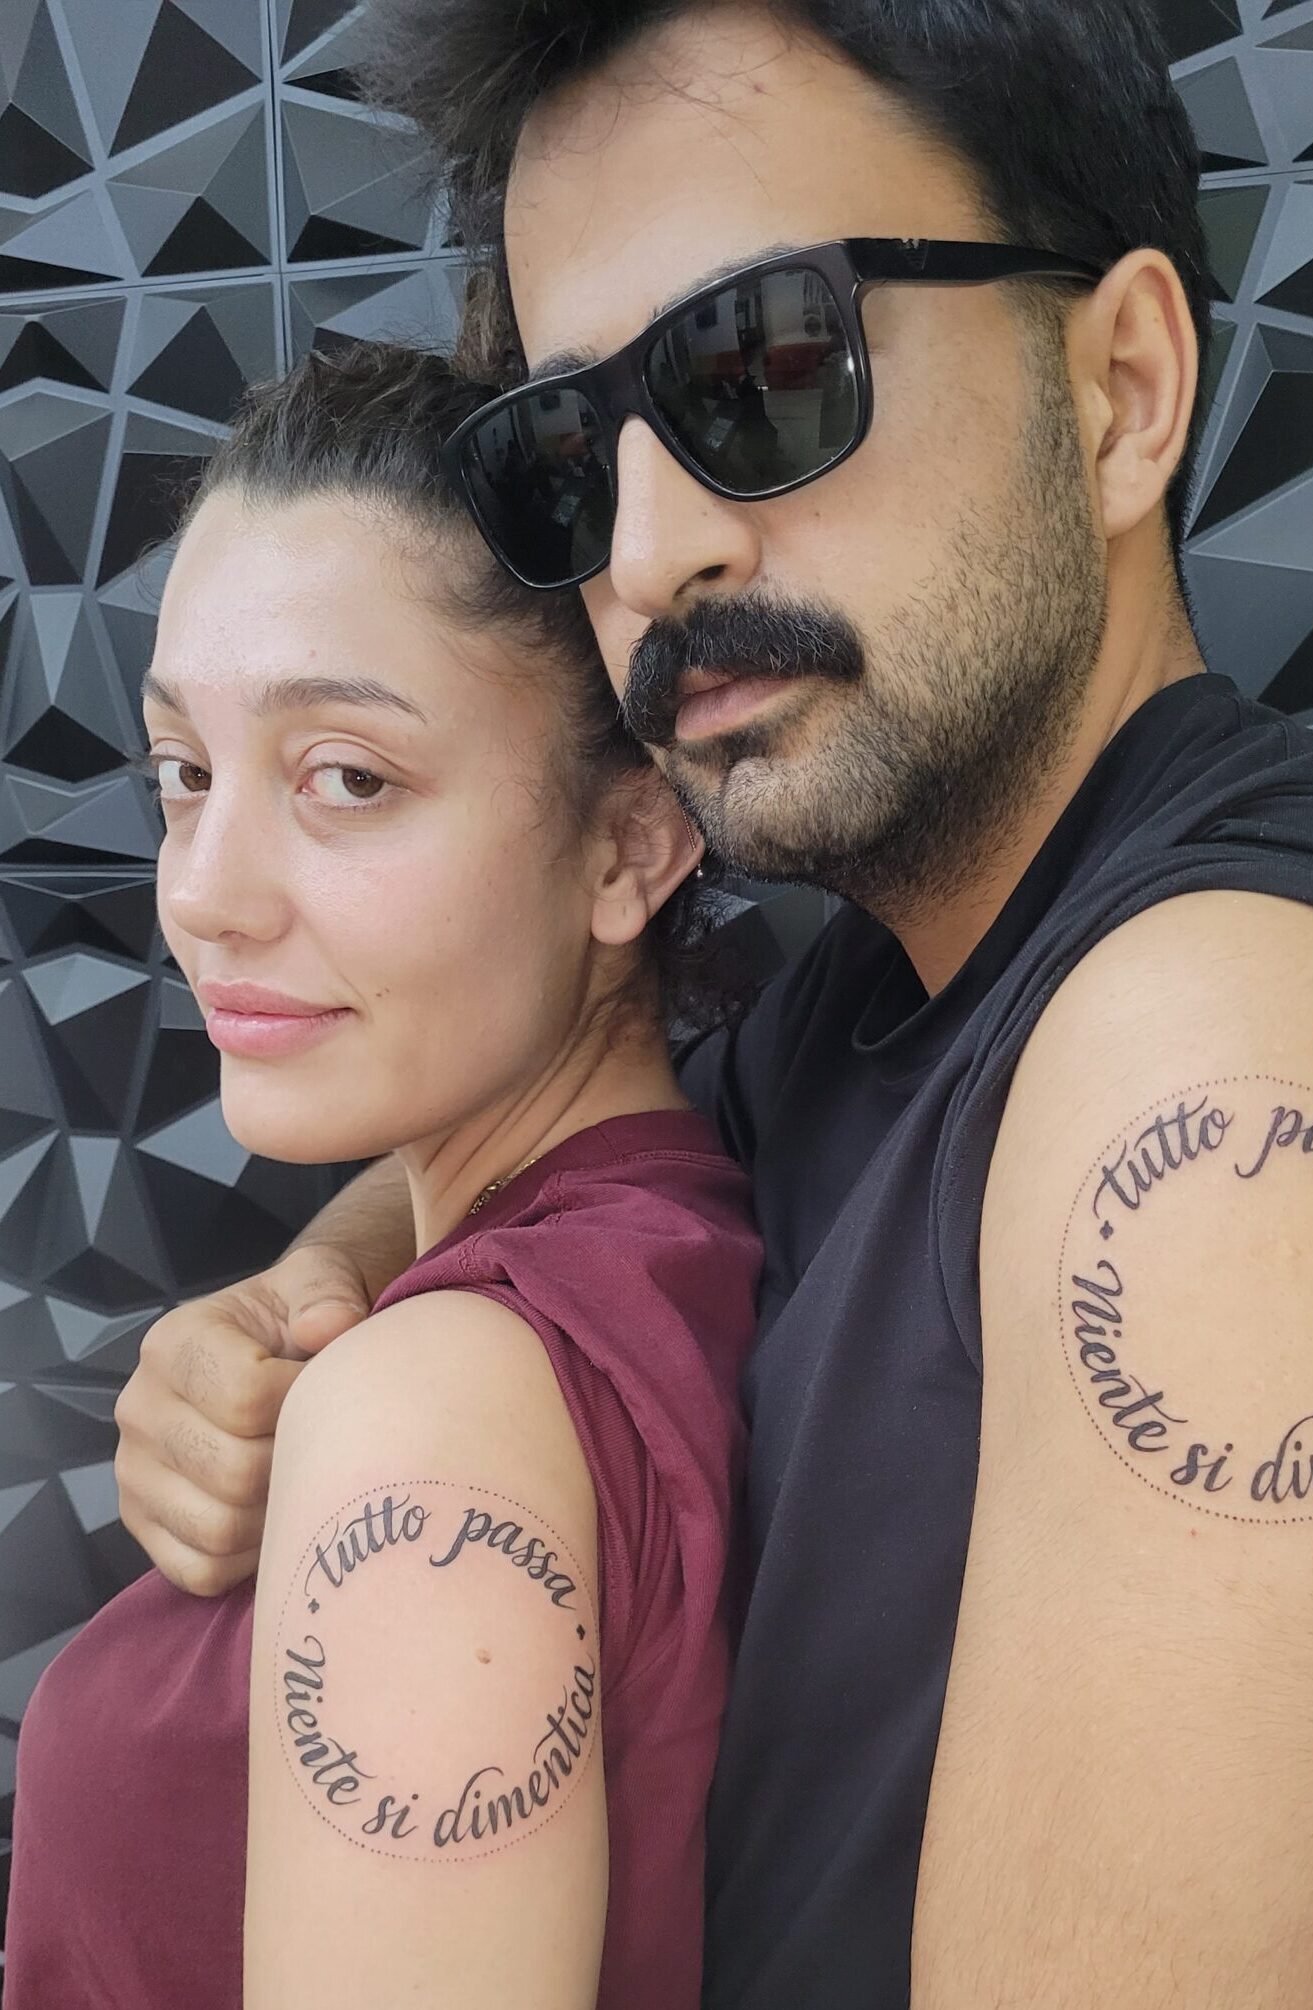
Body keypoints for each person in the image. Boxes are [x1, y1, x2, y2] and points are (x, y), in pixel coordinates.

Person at [108, 4, 1313, 2007]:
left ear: (1120, 390)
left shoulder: (1218, 1054)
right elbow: (571, 1148)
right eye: (572, 452)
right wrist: (303, 1297)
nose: (652, 549)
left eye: (763, 371)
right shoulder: (871, 999)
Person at [5, 341, 762, 2010]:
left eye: (346, 777)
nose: (204, 893)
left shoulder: (432, 1413)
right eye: (184, 773)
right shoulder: (671, 1238)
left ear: (630, 843)